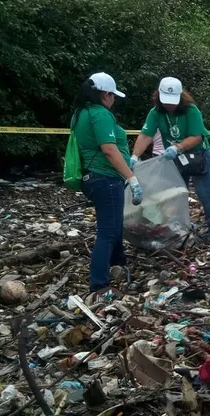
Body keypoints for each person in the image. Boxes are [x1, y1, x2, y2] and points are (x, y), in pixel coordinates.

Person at [71, 73, 142, 294]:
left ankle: (118, 263)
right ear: (105, 94)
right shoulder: (100, 114)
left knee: (113, 223)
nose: (114, 101)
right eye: (113, 96)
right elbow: (109, 150)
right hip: (105, 178)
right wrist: (131, 177)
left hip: (92, 177)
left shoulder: (81, 113)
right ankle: (99, 284)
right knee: (107, 232)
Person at [132, 77, 210, 240]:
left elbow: (197, 136)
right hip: (176, 159)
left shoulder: (191, 111)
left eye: (173, 101)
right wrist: (135, 155)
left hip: (198, 156)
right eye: (166, 101)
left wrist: (177, 147)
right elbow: (146, 135)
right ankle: (180, 227)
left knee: (205, 194)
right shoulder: (155, 113)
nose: (169, 105)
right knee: (176, 194)